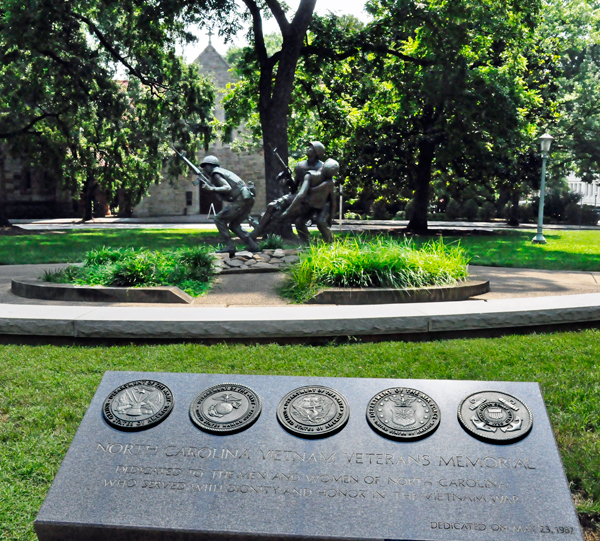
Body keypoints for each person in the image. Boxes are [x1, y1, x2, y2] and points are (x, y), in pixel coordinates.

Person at [249, 141, 325, 240]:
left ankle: (262, 234)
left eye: (310, 147)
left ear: (316, 152)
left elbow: (325, 188)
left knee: (282, 218)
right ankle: (254, 234)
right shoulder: (300, 166)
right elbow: (295, 188)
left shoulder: (322, 168)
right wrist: (288, 182)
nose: (307, 149)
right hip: (297, 196)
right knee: (271, 206)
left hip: (310, 200)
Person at [196, 155, 259, 253]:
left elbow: (227, 188)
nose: (204, 168)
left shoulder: (216, 173)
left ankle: (230, 246)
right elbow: (229, 194)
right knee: (234, 225)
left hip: (241, 199)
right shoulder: (224, 172)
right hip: (247, 198)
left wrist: (211, 188)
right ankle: (252, 245)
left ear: (212, 165)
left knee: (219, 218)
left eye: (206, 166)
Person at [281, 158, 339, 243]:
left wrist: (330, 219)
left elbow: (333, 203)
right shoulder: (311, 176)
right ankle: (307, 243)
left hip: (322, 205)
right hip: (312, 205)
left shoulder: (330, 183)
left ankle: (330, 242)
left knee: (321, 221)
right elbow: (300, 193)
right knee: (299, 222)